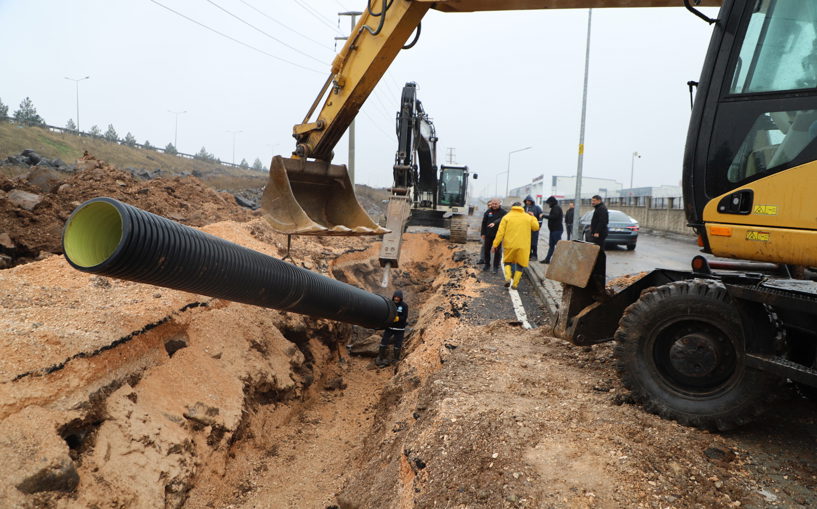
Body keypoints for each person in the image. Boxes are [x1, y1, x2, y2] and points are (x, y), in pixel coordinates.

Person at [492, 202, 540, 289]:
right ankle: (515, 284)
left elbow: (500, 232)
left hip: (509, 244)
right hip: (523, 245)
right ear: (521, 207)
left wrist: (495, 244)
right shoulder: (527, 217)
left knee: (507, 262)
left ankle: (507, 278)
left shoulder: (506, 217)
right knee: (520, 264)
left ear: (512, 207)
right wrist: (533, 216)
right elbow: (536, 227)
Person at [376, 290, 408, 367]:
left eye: (398, 297)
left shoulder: (404, 306)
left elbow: (404, 317)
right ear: (393, 297)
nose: (396, 299)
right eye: (395, 297)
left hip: (399, 329)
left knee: (398, 344)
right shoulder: (390, 303)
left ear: (401, 298)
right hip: (389, 327)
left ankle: (396, 359)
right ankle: (380, 357)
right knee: (384, 341)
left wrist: (398, 318)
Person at [480, 198, 507, 273]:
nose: (494, 205)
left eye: (496, 204)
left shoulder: (503, 212)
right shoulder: (488, 212)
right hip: (488, 234)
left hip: (498, 235)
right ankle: (487, 264)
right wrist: (483, 233)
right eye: (493, 204)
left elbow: (502, 220)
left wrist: (495, 222)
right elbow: (484, 223)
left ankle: (495, 267)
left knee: (497, 251)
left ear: (499, 204)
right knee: (486, 250)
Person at [589, 195, 609, 291]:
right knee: (597, 250)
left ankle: (599, 272)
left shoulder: (602, 208)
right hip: (597, 233)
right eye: (592, 200)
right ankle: (596, 268)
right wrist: (592, 227)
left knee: (600, 251)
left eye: (594, 200)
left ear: (599, 201)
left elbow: (603, 221)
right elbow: (596, 220)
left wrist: (597, 231)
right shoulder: (598, 208)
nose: (592, 202)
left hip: (600, 234)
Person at [541, 196, 563, 264]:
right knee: (551, 246)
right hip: (553, 230)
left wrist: (543, 216)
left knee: (558, 246)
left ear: (552, 202)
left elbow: (554, 217)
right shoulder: (554, 207)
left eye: (549, 203)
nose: (549, 205)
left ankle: (562, 261)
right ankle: (547, 259)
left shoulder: (556, 208)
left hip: (557, 230)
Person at [523, 196, 543, 260]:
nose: (527, 202)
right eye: (526, 201)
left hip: (534, 228)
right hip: (526, 229)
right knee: (527, 243)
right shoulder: (524, 208)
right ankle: (529, 255)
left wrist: (539, 226)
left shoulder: (537, 208)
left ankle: (534, 256)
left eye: (528, 201)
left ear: (531, 201)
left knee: (534, 243)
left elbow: (540, 217)